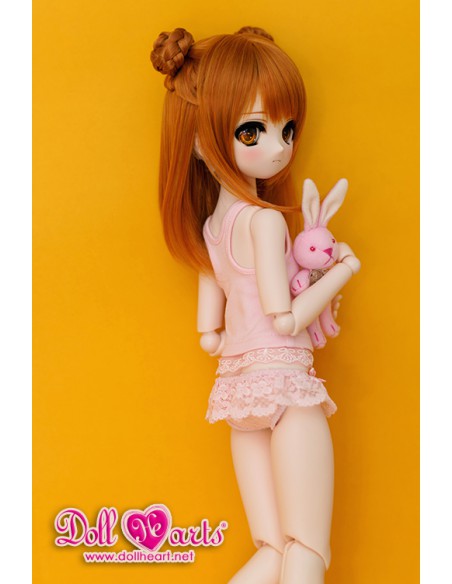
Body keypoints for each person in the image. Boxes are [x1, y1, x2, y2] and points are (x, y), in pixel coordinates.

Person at [151, 26, 360, 584]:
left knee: (271, 548)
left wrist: (237, 343)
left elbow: (209, 335)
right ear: (201, 141)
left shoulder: (209, 229)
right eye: (254, 131)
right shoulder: (264, 221)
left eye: (287, 130)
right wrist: (342, 270)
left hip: (237, 395)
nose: (280, 147)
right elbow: (284, 318)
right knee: (307, 548)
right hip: (286, 388)